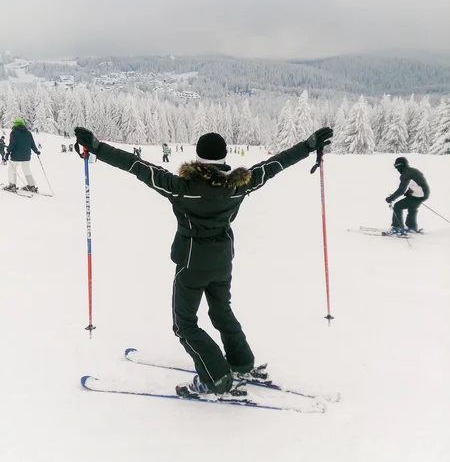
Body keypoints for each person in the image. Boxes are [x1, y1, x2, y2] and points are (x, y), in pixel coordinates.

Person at [74, 125, 333, 400]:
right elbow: (275, 164)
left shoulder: (180, 186)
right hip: (222, 261)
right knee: (221, 310)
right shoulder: (239, 184)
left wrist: (98, 148)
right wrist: (307, 145)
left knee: (184, 325)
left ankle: (216, 377)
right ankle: (241, 363)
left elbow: (136, 165)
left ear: (198, 158)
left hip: (191, 263)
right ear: (224, 159)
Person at [385, 157, 430, 234]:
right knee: (412, 207)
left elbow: (401, 190)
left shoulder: (406, 174)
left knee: (397, 206)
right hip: (423, 194)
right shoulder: (411, 171)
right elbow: (416, 184)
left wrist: (391, 198)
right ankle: (412, 227)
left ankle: (397, 227)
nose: (397, 169)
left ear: (401, 166)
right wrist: (410, 192)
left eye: (397, 167)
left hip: (418, 195)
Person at [3, 118, 40, 193]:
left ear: (15, 124)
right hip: (26, 156)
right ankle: (31, 185)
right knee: (26, 169)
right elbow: (32, 143)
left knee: (12, 169)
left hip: (16, 156)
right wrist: (36, 151)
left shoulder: (14, 132)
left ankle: (12, 185)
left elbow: (12, 144)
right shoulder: (28, 133)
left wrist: (7, 153)